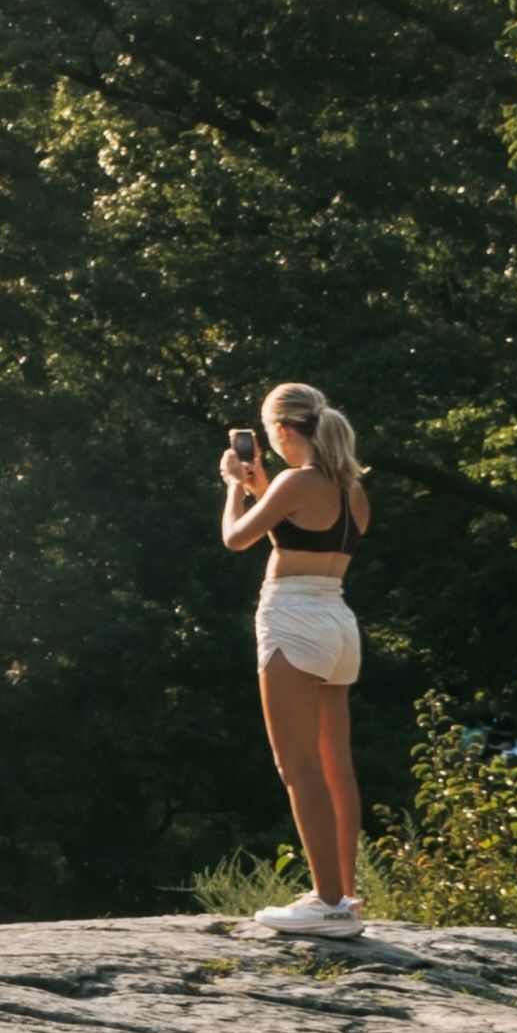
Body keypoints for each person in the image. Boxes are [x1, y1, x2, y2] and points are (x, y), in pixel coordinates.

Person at [219, 381, 372, 940]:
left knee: (298, 767)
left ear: (282, 430)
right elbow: (298, 534)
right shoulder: (350, 488)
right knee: (338, 767)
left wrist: (236, 488)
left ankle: (327, 903)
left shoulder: (295, 481)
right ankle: (344, 898)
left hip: (293, 620)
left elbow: (237, 538)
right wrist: (265, 489)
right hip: (338, 620)